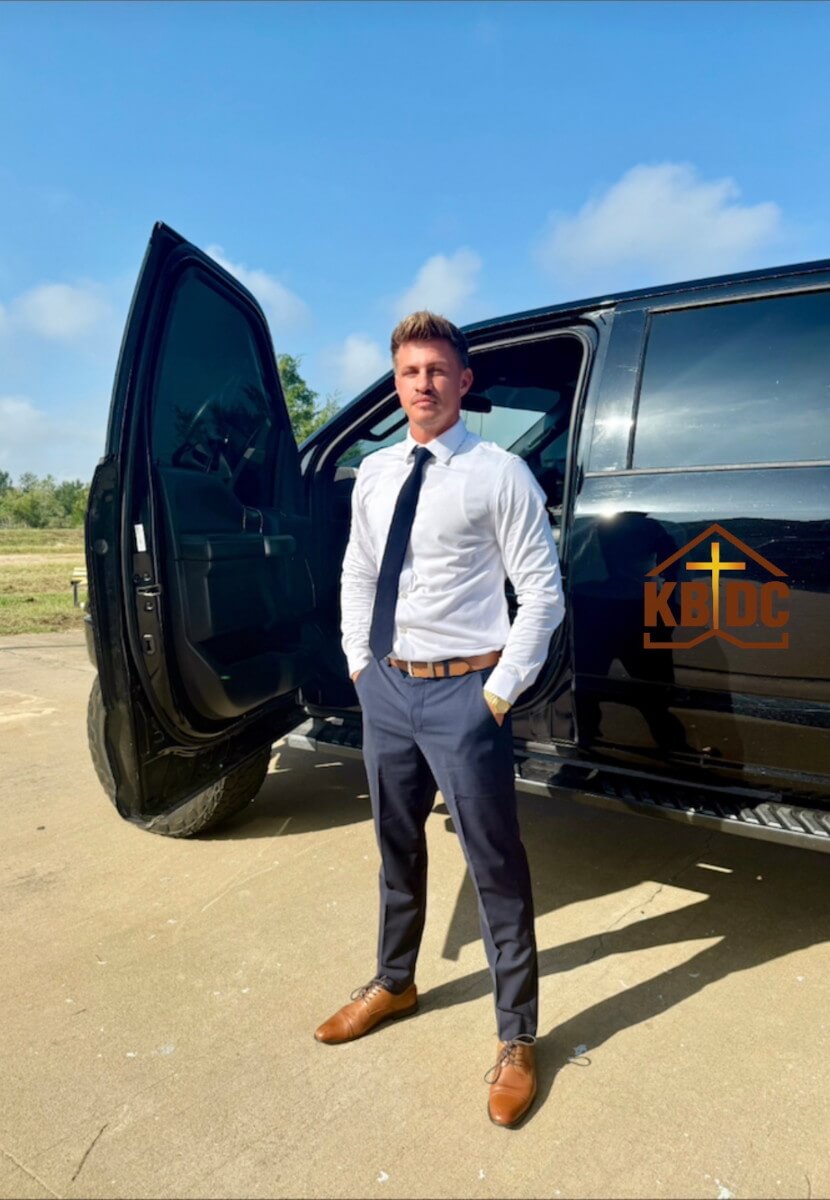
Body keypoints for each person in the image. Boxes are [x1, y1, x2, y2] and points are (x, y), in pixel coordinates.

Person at [313, 311, 566, 1127]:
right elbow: (358, 571)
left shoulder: (500, 475)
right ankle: (395, 981)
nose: (423, 383)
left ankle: (518, 1036)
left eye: (438, 370)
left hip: (467, 694)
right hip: (387, 688)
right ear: (397, 384)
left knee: (494, 866)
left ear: (463, 383)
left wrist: (497, 693)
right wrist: (360, 663)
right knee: (396, 844)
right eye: (410, 370)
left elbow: (542, 596)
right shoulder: (378, 473)